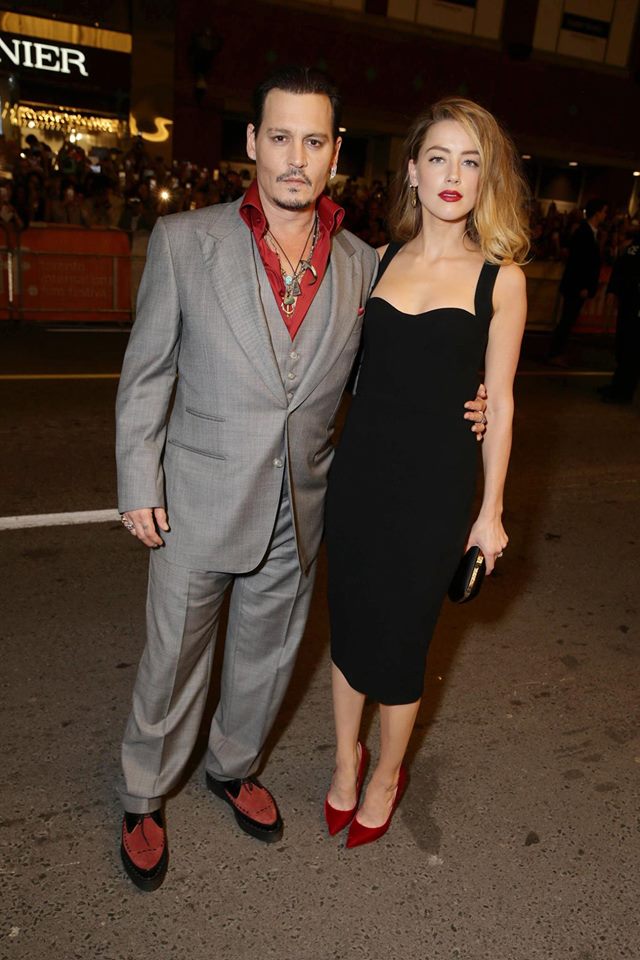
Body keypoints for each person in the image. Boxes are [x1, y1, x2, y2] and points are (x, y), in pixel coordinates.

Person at [115, 68, 488, 891]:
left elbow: (390, 370)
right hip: (199, 498)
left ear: (335, 153)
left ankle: (232, 766)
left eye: (313, 141)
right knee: (173, 659)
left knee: (268, 655)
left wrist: (475, 399)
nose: (295, 157)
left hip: (303, 500)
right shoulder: (185, 241)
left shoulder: (364, 262)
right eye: (279, 137)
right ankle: (143, 793)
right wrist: (139, 478)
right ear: (253, 142)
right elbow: (147, 374)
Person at [323, 97, 529, 848]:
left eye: (470, 161)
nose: (453, 174)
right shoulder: (373, 260)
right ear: (411, 170)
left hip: (434, 489)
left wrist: (490, 512)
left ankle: (386, 775)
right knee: (349, 625)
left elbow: (500, 402)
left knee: (403, 639)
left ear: (485, 178)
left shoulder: (501, 279)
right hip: (359, 476)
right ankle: (345, 760)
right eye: (438, 157)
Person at [548, 197, 607, 366]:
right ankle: (554, 353)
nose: (605, 215)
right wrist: (583, 286)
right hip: (576, 287)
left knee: (568, 321)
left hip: (578, 286)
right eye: (604, 212)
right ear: (597, 213)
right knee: (566, 321)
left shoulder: (591, 233)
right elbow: (579, 262)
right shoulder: (583, 232)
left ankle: (557, 352)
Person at [599, 227, 640, 405]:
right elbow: (622, 269)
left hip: (635, 306)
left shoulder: (633, 248)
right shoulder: (633, 246)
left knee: (631, 349)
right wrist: (614, 290)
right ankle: (618, 385)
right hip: (629, 303)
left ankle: (624, 391)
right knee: (623, 346)